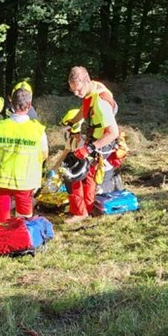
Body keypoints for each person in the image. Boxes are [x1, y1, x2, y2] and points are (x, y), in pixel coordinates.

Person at [64, 66, 121, 224]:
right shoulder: (93, 88)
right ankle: (88, 208)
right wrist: (70, 122)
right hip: (94, 139)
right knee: (89, 175)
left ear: (86, 81)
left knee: (72, 172)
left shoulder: (100, 102)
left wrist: (89, 148)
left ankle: (79, 212)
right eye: (73, 91)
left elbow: (113, 132)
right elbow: (84, 109)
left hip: (101, 143)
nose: (76, 94)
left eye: (78, 90)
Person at [0, 87, 48, 223]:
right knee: (24, 213)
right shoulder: (38, 130)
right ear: (29, 105)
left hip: (0, 178)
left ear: (11, 103)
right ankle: (22, 236)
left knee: (2, 212)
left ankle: (3, 236)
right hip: (25, 179)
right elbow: (44, 154)